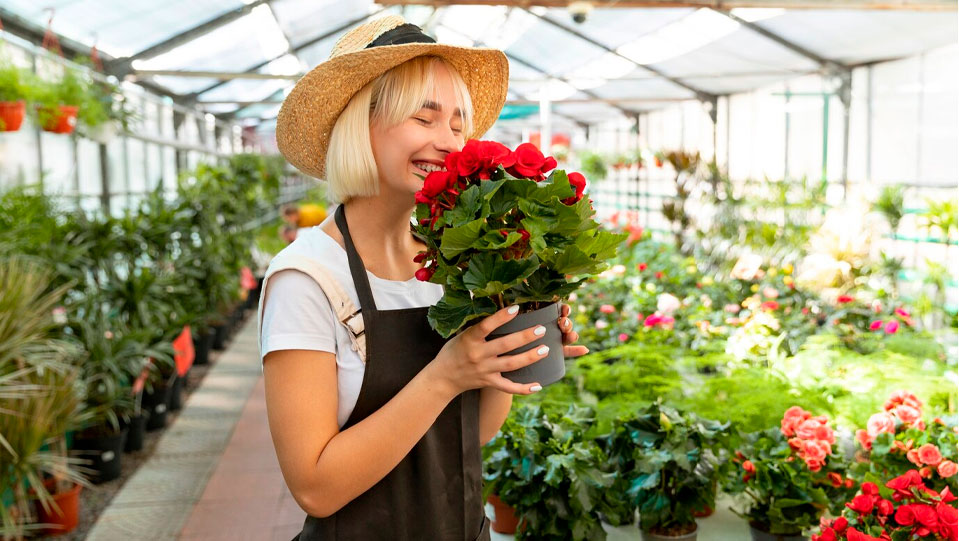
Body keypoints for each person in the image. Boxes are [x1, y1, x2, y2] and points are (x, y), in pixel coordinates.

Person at [257, 15, 587, 540]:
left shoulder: (452, 261)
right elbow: (315, 488)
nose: (451, 142)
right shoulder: (307, 277)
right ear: (358, 125)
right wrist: (445, 375)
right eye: (425, 118)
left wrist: (516, 336)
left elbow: (468, 434)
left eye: (458, 124)